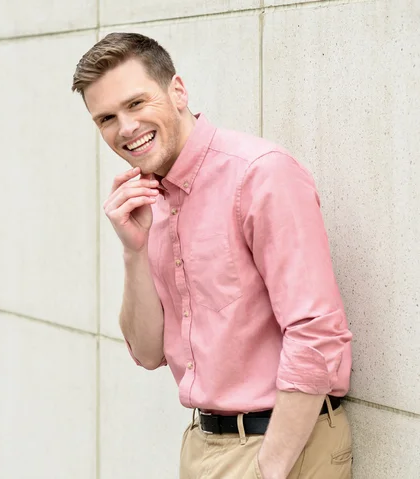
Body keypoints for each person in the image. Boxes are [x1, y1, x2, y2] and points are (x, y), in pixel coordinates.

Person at [71, 32, 353, 479]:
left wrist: (270, 467)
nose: (125, 128)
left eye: (136, 103)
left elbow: (317, 331)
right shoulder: (150, 200)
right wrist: (133, 251)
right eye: (106, 117)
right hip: (203, 444)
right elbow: (146, 352)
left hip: (281, 446)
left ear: (177, 90)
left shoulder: (259, 174)